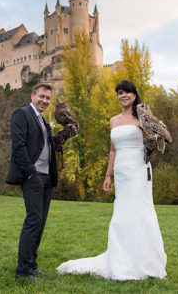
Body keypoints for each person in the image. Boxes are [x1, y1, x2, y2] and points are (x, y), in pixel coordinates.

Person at [56, 80, 167, 281]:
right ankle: (122, 258)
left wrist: (153, 143)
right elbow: (113, 150)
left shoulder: (142, 118)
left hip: (139, 170)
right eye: (120, 93)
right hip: (122, 172)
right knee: (122, 214)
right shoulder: (113, 121)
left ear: (134, 95)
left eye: (127, 92)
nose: (123, 96)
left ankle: (145, 261)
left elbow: (154, 138)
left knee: (141, 212)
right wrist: (108, 176)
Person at [6, 83, 58, 280]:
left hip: (47, 178)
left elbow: (46, 146)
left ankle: (32, 265)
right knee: (33, 220)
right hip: (33, 176)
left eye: (48, 98)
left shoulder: (44, 122)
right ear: (33, 95)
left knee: (40, 223)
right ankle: (23, 271)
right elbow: (18, 147)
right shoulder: (22, 114)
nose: (44, 101)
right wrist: (31, 173)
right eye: (42, 96)